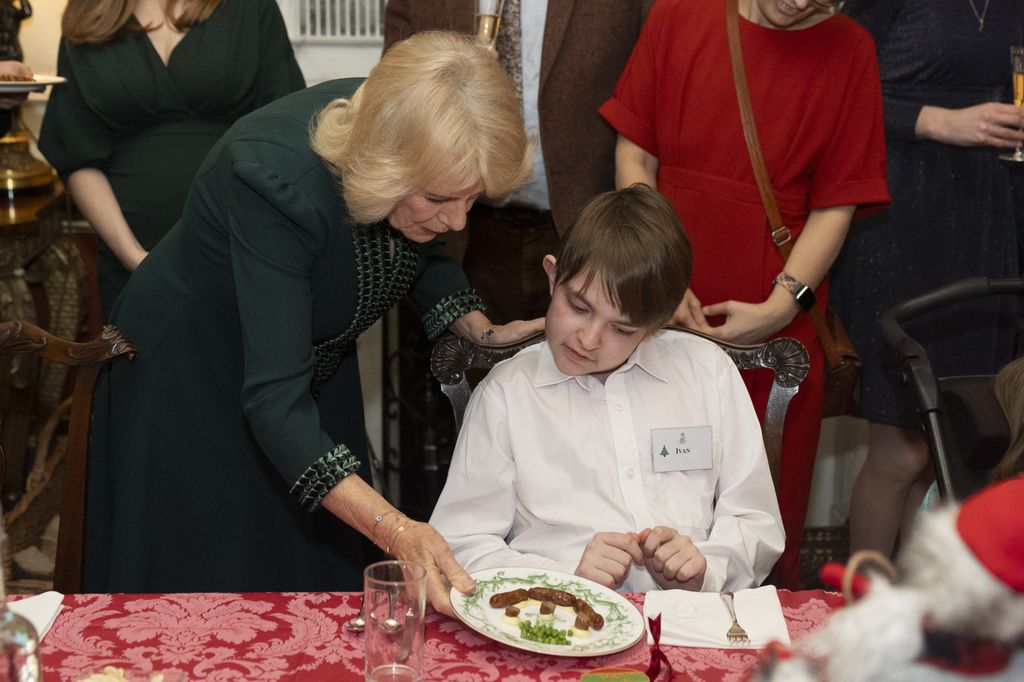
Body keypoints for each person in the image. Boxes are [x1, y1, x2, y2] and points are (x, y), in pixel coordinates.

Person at [85, 31, 540, 615]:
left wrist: (479, 329)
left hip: (306, 365)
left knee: (319, 580)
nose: (456, 222)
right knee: (212, 587)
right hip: (193, 372)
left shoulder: (404, 133)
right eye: (439, 200)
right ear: (386, 170)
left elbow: (417, 239)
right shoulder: (271, 181)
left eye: (471, 200)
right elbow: (275, 404)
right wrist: (398, 527)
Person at [600, 0, 889, 588]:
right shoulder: (679, 14)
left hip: (776, 312)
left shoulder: (851, 49)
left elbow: (837, 203)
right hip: (658, 299)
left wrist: (781, 306)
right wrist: (657, 272)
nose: (801, 2)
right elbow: (635, 154)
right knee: (646, 499)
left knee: (762, 520)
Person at [430, 185, 784, 592]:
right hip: (558, 618)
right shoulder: (508, 394)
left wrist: (708, 568)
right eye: (578, 307)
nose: (589, 339)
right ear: (553, 276)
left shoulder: (707, 373)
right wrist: (564, 578)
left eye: (623, 329)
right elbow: (461, 544)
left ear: (654, 326)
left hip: (686, 617)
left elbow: (757, 522)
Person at [832, 0, 1024, 560]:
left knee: (947, 447)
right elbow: (841, 93)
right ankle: (861, 596)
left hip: (985, 218)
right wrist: (940, 121)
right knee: (901, 450)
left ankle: (918, 600)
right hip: (901, 220)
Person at [384, 0, 654, 323]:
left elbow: (653, 95)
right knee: (465, 353)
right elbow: (393, 96)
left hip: (583, 231)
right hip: (460, 236)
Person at [38, 0, 305, 316]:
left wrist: (252, 245)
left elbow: (284, 133)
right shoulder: (88, 13)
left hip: (243, 251)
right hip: (128, 259)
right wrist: (134, 258)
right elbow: (77, 154)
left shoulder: (249, 8)